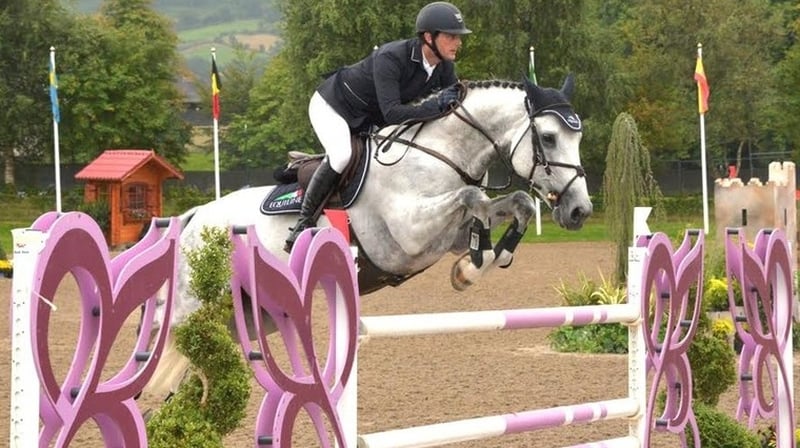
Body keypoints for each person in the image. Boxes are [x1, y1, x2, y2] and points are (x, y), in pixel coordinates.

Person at [284, 1, 472, 252]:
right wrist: (436, 106)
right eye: (451, 36)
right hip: (334, 106)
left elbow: (450, 108)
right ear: (429, 38)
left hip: (369, 118)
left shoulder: (445, 67)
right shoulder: (391, 57)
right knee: (341, 155)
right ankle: (303, 222)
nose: (458, 42)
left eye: (458, 37)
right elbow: (392, 113)